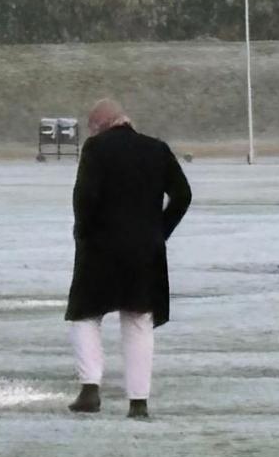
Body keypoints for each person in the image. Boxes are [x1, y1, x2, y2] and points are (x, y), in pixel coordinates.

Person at [66, 99, 192, 419]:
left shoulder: (96, 150)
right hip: (145, 251)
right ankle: (138, 402)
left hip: (100, 248)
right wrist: (159, 231)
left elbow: (85, 197)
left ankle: (90, 388)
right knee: (138, 321)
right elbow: (183, 194)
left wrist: (83, 233)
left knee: (86, 315)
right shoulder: (157, 149)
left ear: (100, 125)